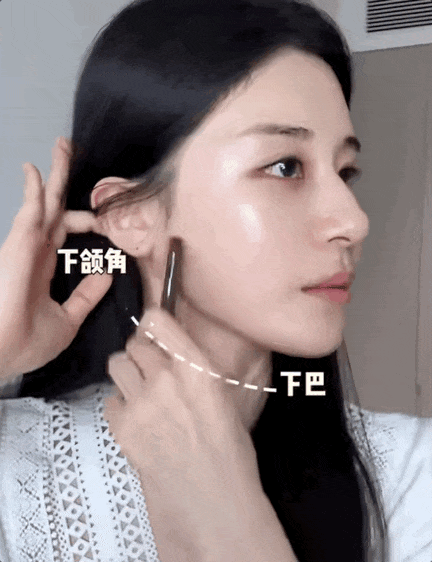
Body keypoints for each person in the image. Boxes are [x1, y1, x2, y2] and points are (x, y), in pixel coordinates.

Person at [0, 0, 431, 560]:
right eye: (285, 167)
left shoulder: (409, 474)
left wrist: (229, 519)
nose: (353, 221)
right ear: (131, 218)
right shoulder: (16, 468)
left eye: (344, 171)